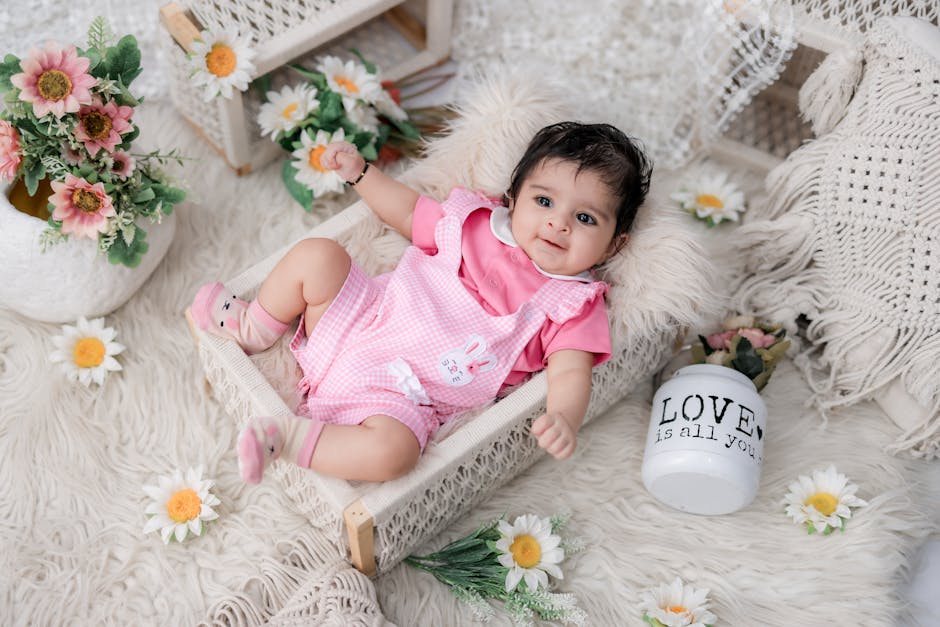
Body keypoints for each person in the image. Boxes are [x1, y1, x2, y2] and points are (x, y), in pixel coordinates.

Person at [189, 121, 652, 484]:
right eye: (545, 201)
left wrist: (564, 417)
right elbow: (409, 211)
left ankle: (287, 438)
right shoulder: (474, 224)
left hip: (404, 395)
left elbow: (571, 370)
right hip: (360, 319)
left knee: (396, 454)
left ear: (614, 245)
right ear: (513, 200)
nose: (558, 224)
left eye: (586, 217)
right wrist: (362, 175)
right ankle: (256, 327)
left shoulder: (570, 303)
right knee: (319, 255)